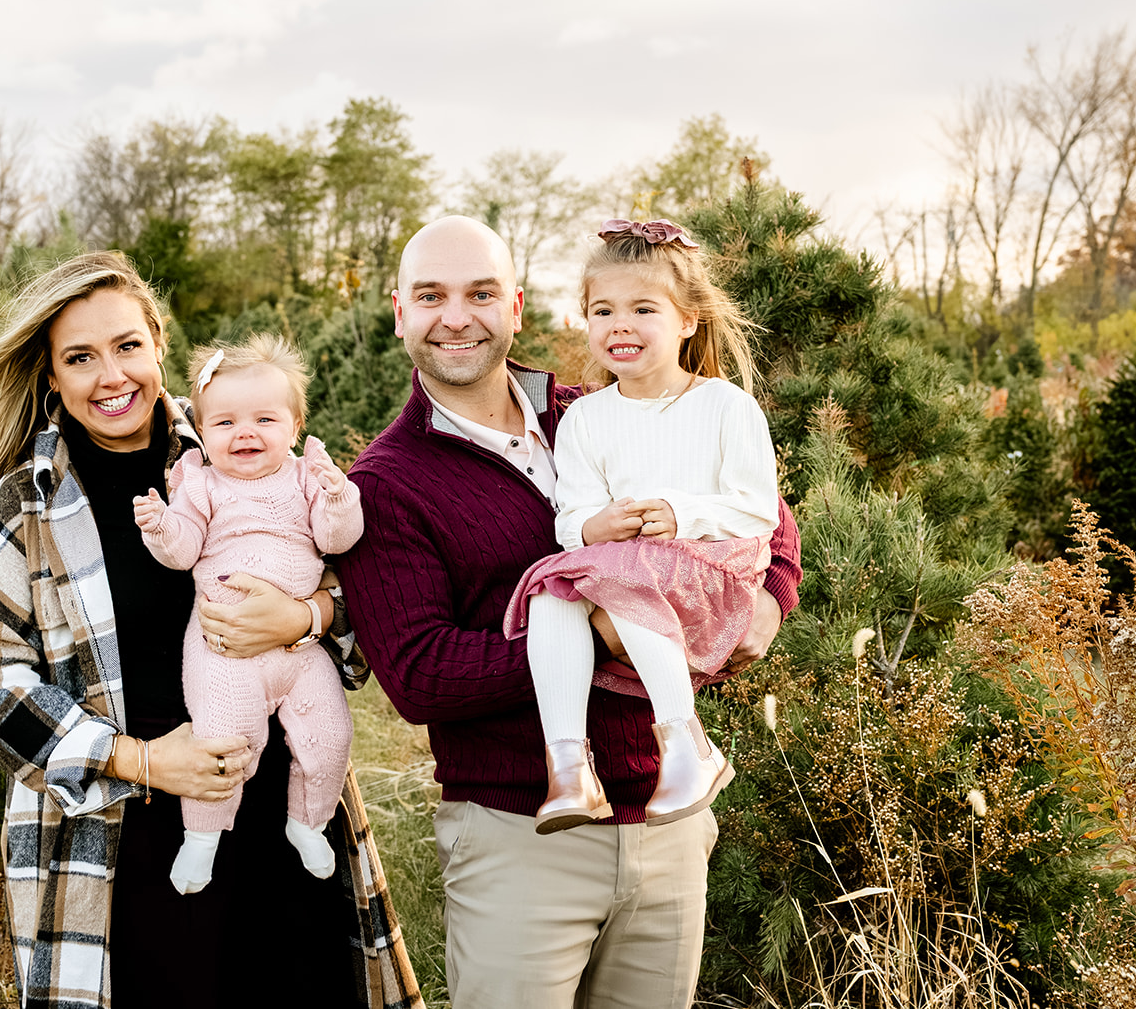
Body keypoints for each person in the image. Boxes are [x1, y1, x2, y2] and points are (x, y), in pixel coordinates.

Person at [338, 216, 802, 1009]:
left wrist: (771, 597)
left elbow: (755, 505)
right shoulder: (386, 481)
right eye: (431, 296)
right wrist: (588, 628)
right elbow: (419, 674)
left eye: (481, 293)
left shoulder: (597, 410)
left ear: (517, 305)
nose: (458, 316)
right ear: (399, 311)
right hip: (521, 834)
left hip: (666, 818)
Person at [0, 252, 420, 1009]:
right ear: (52, 377)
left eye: (127, 346)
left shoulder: (240, 443)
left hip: (278, 804)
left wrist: (308, 616)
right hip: (127, 832)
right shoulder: (31, 504)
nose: (112, 376)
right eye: (81, 357)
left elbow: (364, 596)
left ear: (158, 344)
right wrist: (141, 760)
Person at [504, 219, 777, 834]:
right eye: (602, 310)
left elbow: (759, 507)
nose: (619, 324)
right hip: (632, 572)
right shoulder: (585, 420)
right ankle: (569, 767)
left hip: (716, 575)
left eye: (642, 308)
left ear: (687, 320)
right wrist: (592, 527)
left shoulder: (724, 406)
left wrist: (684, 513)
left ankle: (688, 744)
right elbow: (569, 516)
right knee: (552, 588)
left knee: (627, 571)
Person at [133, 335, 362, 894]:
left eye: (264, 418)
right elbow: (184, 549)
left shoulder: (308, 479)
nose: (246, 433)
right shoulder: (201, 484)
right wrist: (161, 525)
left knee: (330, 734)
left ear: (294, 425)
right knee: (224, 741)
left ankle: (308, 822)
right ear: (202, 432)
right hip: (225, 648)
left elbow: (338, 540)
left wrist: (339, 499)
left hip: (300, 650)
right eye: (226, 423)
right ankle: (203, 838)